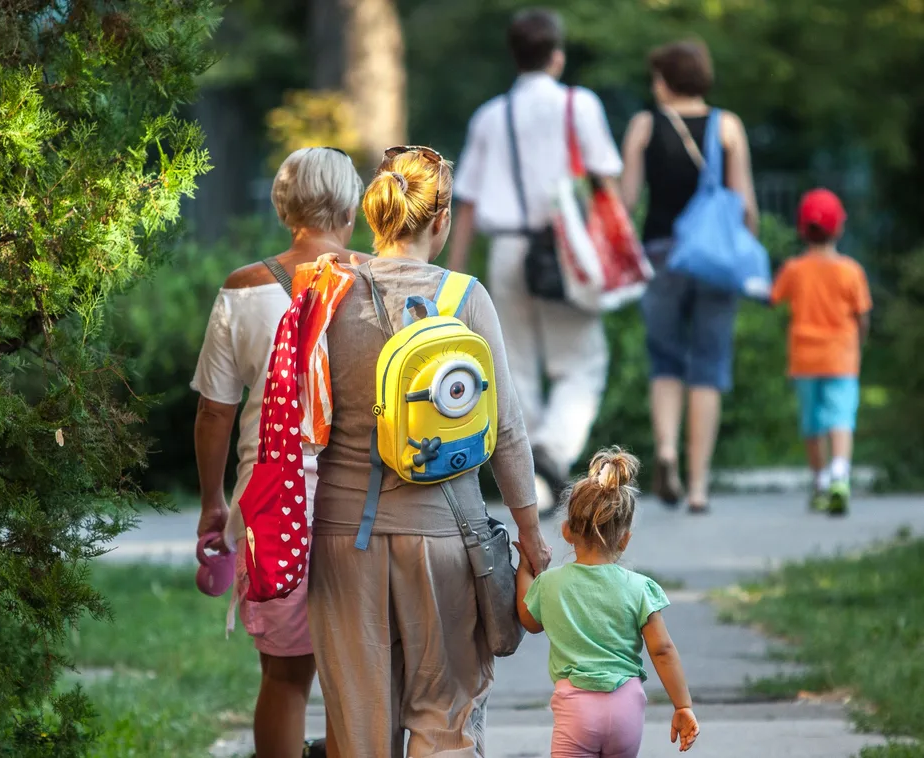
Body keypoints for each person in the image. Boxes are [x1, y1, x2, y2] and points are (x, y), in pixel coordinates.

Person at [308, 145, 551, 757]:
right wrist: (531, 536)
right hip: (445, 539)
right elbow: (509, 432)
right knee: (445, 722)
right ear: (440, 221)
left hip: (342, 545)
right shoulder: (466, 297)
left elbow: (294, 419)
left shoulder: (327, 297)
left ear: (375, 215)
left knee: (360, 733)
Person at [190, 146, 364, 758]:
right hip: (363, 503)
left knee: (285, 678)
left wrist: (214, 504)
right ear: (352, 205)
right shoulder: (375, 282)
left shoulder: (242, 290)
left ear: (283, 205)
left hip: (271, 505)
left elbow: (215, 411)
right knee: (355, 680)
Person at [449, 8, 624, 512]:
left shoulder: (489, 115)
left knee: (516, 366)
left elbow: (469, 203)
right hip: (567, 250)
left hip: (507, 249)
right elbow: (605, 182)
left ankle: (537, 485)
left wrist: (455, 276)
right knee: (583, 362)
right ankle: (553, 450)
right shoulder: (579, 105)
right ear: (557, 55)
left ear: (514, 57)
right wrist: (614, 256)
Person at [619, 39, 759, 514]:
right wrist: (746, 250)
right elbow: (746, 205)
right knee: (708, 365)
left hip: (661, 255)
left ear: (664, 79)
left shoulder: (644, 125)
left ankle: (665, 452)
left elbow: (626, 200)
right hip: (715, 260)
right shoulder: (728, 126)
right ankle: (698, 486)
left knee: (666, 362)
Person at [515, 448, 700, 757]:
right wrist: (683, 705)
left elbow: (528, 620)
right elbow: (662, 649)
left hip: (577, 708)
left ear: (566, 531)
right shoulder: (640, 588)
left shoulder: (550, 584)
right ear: (625, 538)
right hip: (626, 706)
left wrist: (526, 571)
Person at [770, 189, 871, 517]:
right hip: (842, 358)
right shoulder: (851, 271)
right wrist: (859, 341)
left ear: (802, 229)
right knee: (840, 416)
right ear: (839, 228)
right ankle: (840, 474)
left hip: (805, 359)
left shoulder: (795, 269)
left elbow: (774, 298)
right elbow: (862, 316)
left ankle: (819, 483)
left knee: (812, 422)